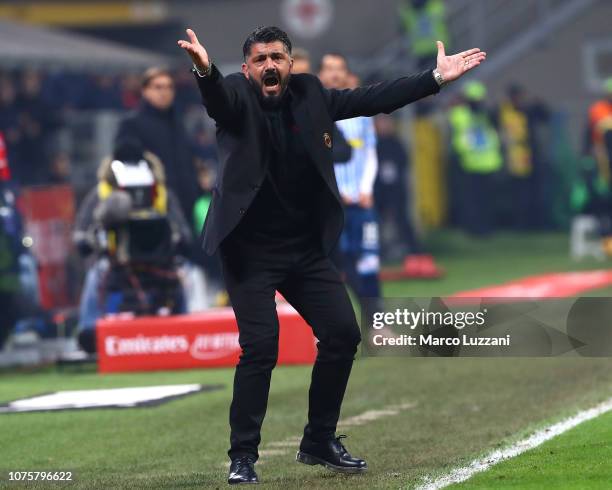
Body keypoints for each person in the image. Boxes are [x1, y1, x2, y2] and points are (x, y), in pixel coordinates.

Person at [178, 25, 485, 484]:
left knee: (343, 334)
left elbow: (372, 99)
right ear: (247, 69)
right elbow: (217, 100)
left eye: (277, 58)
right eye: (260, 60)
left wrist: (434, 79)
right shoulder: (236, 97)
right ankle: (243, 456)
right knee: (260, 348)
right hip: (249, 252)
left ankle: (318, 440)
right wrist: (204, 70)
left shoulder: (311, 94)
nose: (269, 66)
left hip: (303, 249)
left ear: (290, 64)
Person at [318, 54, 382, 313]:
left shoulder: (362, 113)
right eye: (329, 69)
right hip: (334, 203)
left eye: (340, 69)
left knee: (369, 262)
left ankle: (378, 323)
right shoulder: (316, 112)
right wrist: (339, 191)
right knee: (337, 263)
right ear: (320, 75)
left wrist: (366, 189)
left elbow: (370, 153)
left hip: (362, 202)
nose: (335, 74)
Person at [116, 67, 200, 224]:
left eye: (169, 87)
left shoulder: (177, 123)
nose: (164, 92)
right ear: (145, 90)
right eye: (158, 87)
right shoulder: (132, 123)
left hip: (186, 204)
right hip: (150, 206)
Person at [448, 80, 502, 235]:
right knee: (471, 200)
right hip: (469, 164)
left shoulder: (487, 114)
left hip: (488, 163)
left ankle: (487, 228)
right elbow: (459, 124)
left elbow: (495, 127)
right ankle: (473, 229)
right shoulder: (460, 114)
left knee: (487, 200)